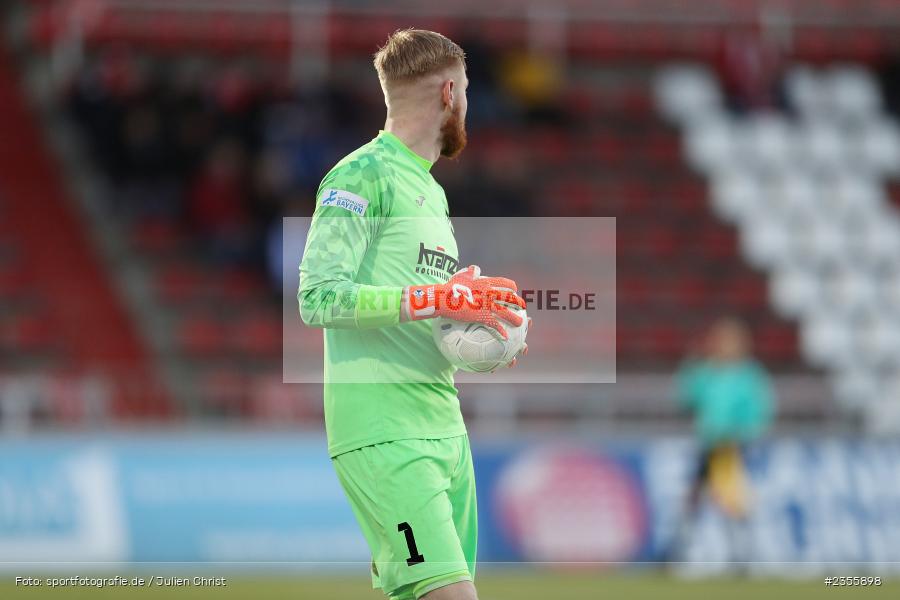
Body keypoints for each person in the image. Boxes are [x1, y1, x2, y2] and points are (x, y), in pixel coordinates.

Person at [298, 30, 528, 600]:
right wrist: (435, 299)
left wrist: (475, 329)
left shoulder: (429, 190)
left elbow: (420, 311)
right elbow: (318, 297)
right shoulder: (361, 176)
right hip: (385, 433)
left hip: (444, 427)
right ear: (450, 94)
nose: (467, 104)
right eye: (466, 91)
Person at [669, 317, 775, 563]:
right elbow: (686, 400)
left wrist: (743, 433)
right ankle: (677, 553)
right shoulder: (707, 372)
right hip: (709, 445)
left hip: (731, 447)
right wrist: (690, 368)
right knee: (694, 500)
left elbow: (759, 413)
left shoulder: (749, 376)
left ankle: (741, 554)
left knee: (731, 501)